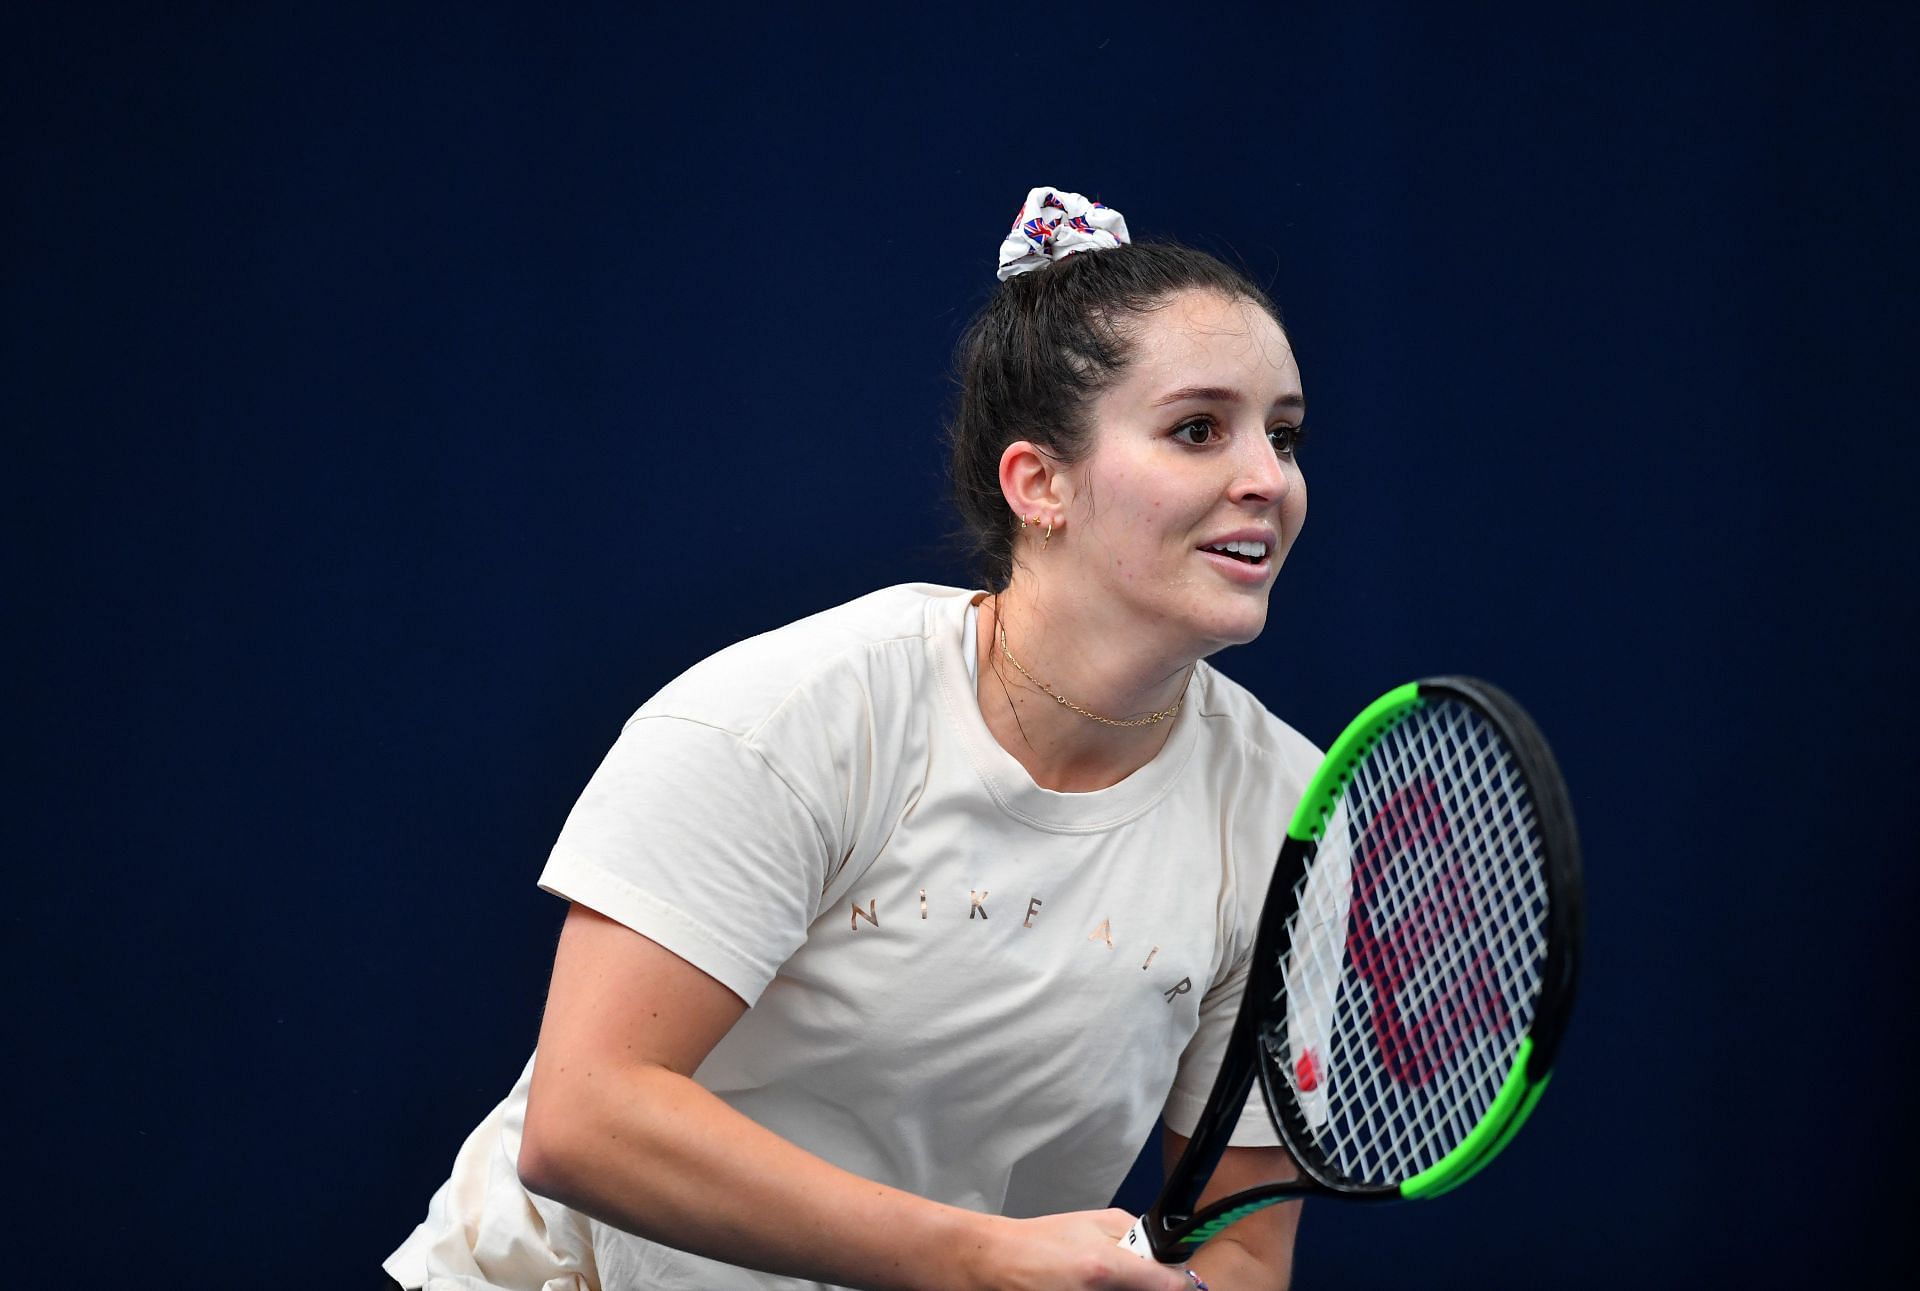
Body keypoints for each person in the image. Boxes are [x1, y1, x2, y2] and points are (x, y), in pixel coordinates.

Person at [384, 186, 1318, 1291]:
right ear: (1041, 484)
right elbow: (585, 1118)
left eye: (1286, 434)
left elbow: (1244, 1239)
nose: (1268, 478)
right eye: (1198, 430)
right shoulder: (791, 718)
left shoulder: (1287, 813)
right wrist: (981, 1260)